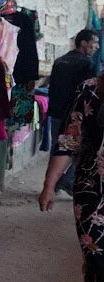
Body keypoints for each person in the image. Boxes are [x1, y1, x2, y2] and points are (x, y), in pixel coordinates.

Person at [39, 70, 104, 282]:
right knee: (98, 265)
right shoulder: (91, 90)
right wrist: (49, 185)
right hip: (95, 195)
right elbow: (69, 140)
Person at [47, 29, 99, 196]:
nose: (97, 46)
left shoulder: (60, 61)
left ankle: (52, 184)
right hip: (75, 116)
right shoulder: (87, 64)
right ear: (83, 43)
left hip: (56, 113)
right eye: (94, 42)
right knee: (79, 150)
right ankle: (65, 181)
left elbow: (52, 89)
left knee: (58, 149)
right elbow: (89, 96)